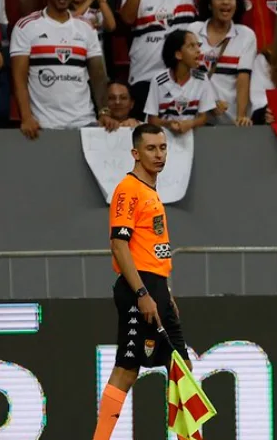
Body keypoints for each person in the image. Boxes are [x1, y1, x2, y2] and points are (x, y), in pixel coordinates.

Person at [92, 123, 193, 440]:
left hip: (156, 286)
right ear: (135, 153)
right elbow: (119, 245)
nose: (159, 154)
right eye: (151, 148)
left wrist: (166, 291)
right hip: (139, 289)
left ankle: (187, 436)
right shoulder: (128, 189)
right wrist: (143, 294)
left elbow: (152, 248)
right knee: (126, 368)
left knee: (181, 368)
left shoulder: (150, 191)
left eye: (163, 148)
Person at [10, 0, 116, 139]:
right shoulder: (25, 26)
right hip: (45, 126)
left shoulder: (86, 27)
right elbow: (19, 79)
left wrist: (104, 112)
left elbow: (98, 75)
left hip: (85, 122)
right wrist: (26, 117)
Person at [188, 0, 257, 126]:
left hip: (229, 121)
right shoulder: (193, 30)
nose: (226, 2)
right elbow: (185, 73)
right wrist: (208, 102)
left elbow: (243, 79)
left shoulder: (246, 35)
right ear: (209, 4)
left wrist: (241, 117)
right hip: (196, 119)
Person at [145, 30, 217, 133]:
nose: (199, 50)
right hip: (164, 139)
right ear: (178, 55)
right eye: (192, 46)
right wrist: (168, 124)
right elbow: (151, 119)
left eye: (198, 45)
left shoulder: (202, 79)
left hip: (191, 139)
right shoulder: (158, 80)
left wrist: (190, 124)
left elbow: (203, 118)